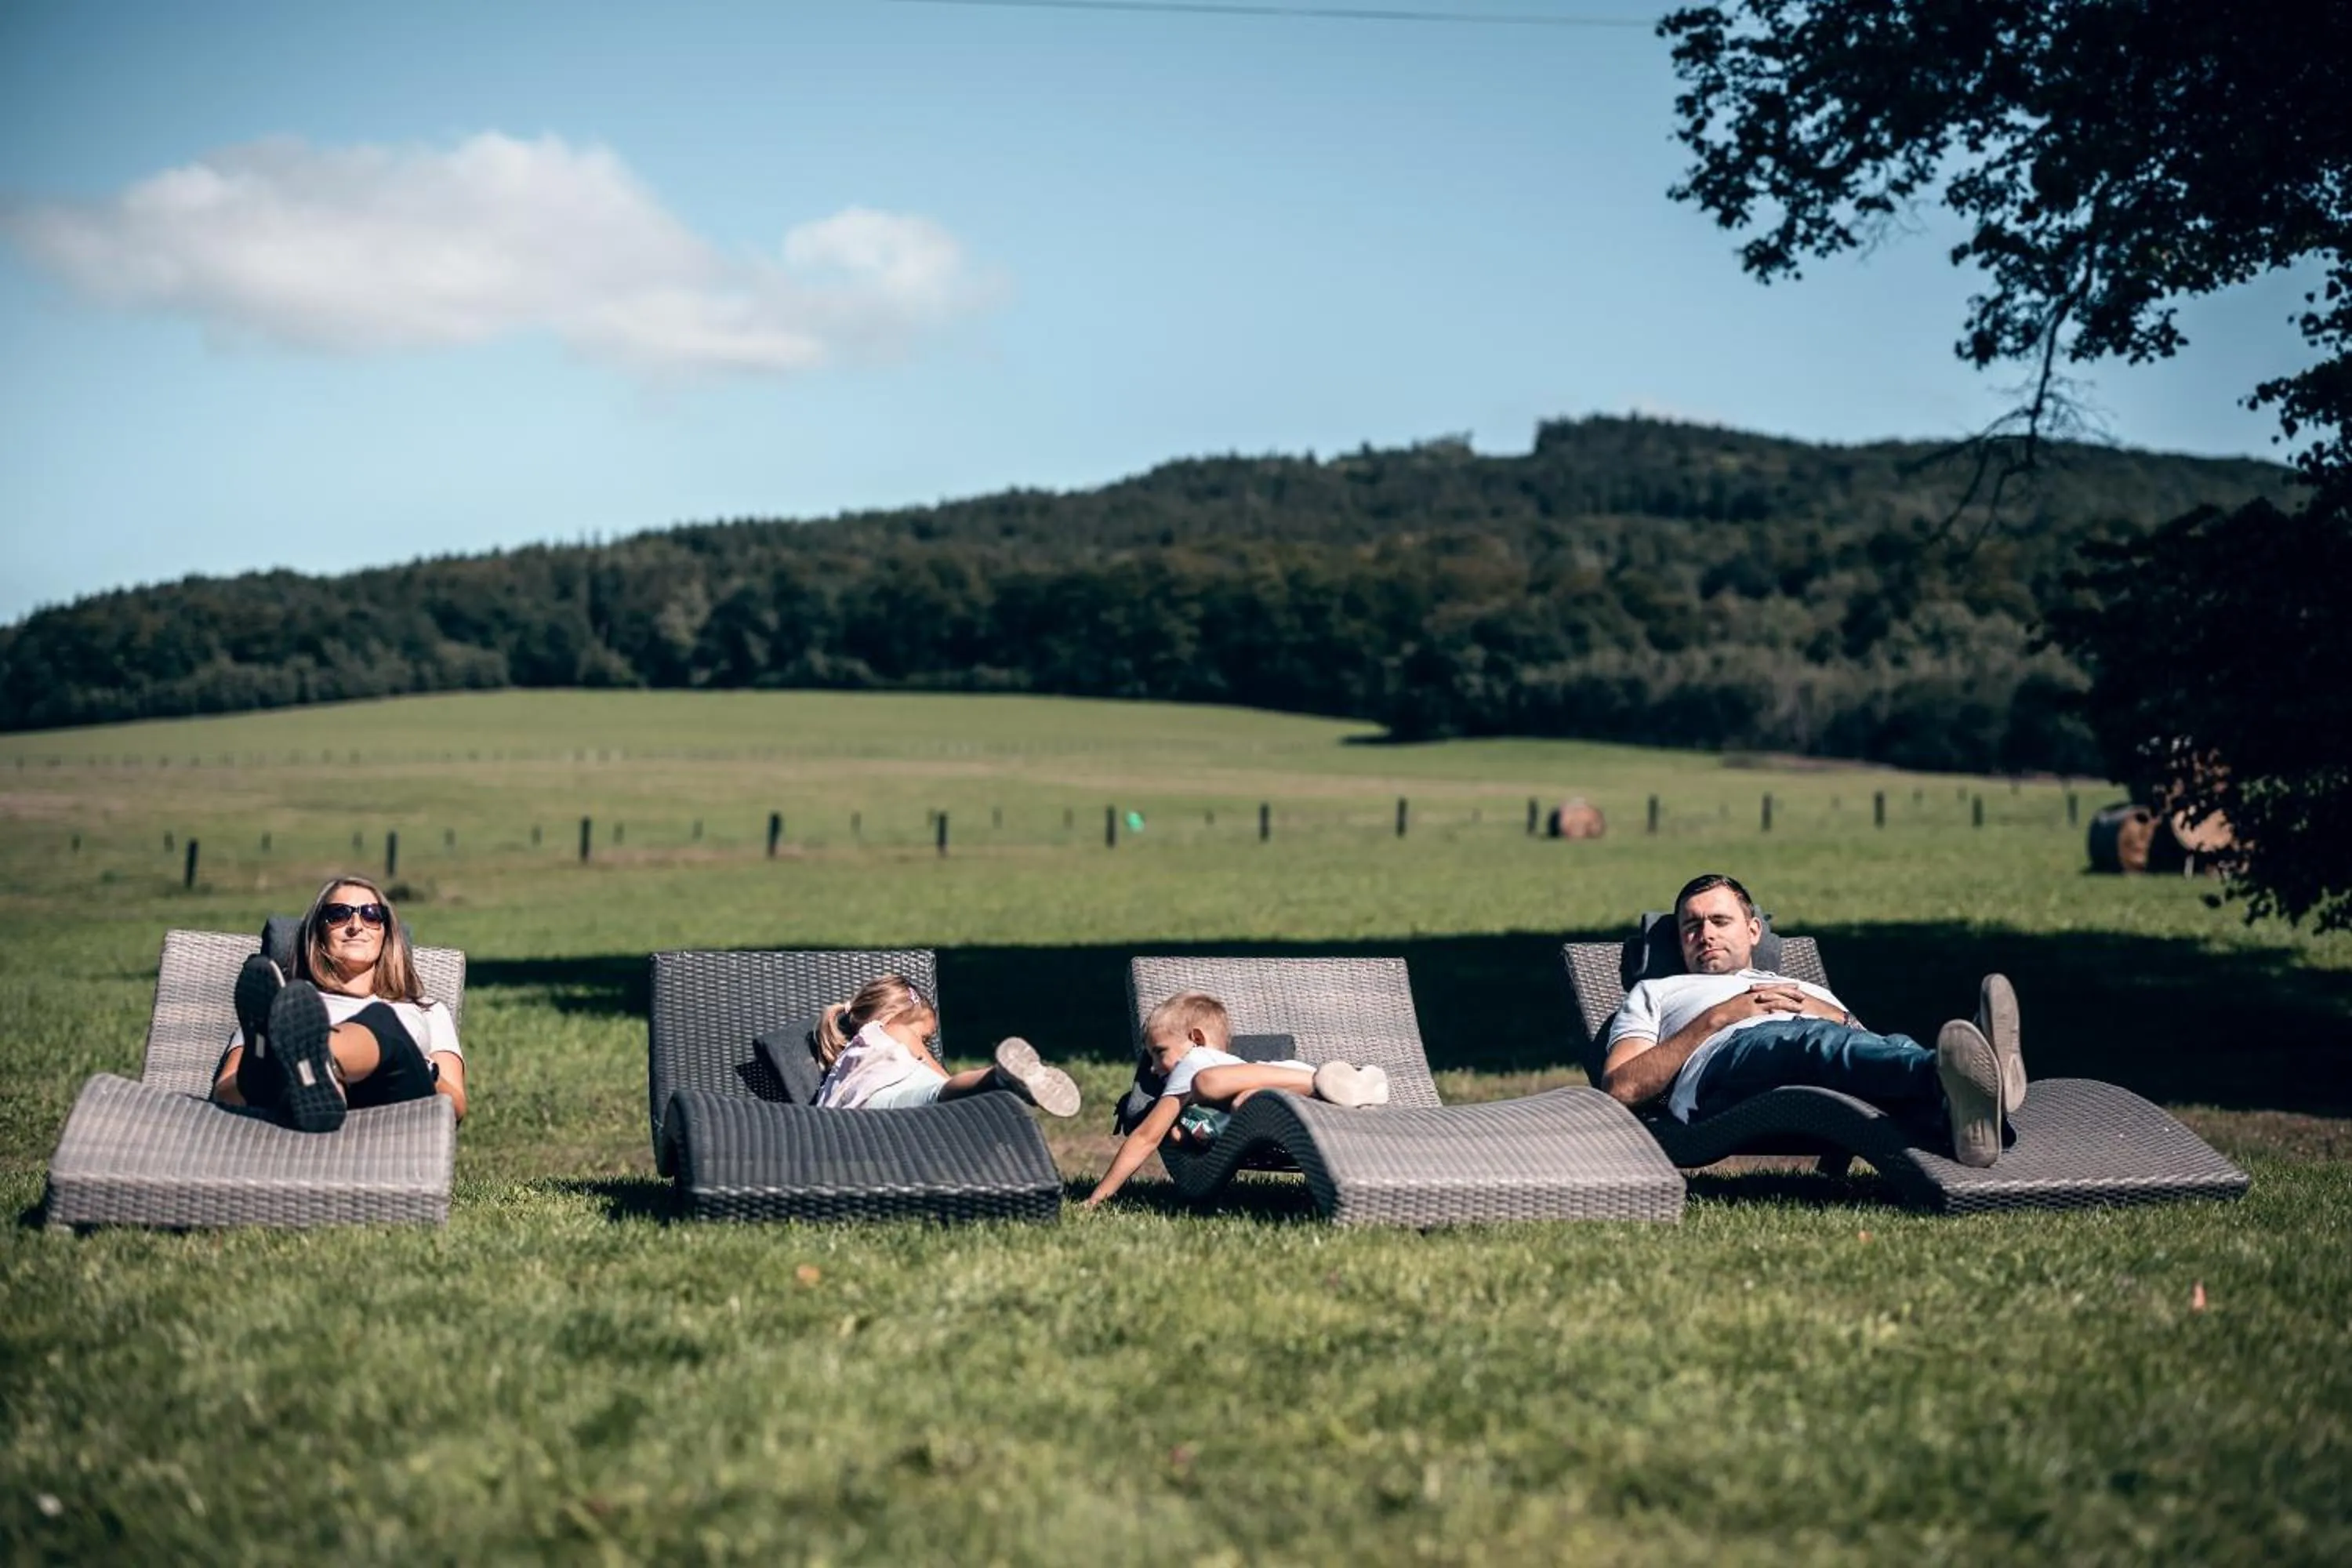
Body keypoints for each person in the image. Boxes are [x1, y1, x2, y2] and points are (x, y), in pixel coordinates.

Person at [1599, 873, 2025, 1167]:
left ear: (1752, 931)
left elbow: (1864, 1046)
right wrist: (1719, 1018)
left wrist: (1833, 1015)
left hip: (1811, 1045)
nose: (1705, 933)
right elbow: (1620, 1087)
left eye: (1719, 920)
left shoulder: (1800, 987)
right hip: (1720, 1073)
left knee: (1886, 1043)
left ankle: (1967, 1115)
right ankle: (1951, 1077)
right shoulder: (1656, 990)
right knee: (1806, 1043)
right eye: (1690, 926)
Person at [1084, 990, 1391, 1207]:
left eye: (1159, 1051)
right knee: (1243, 1101)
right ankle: (1339, 1091)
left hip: (1303, 1081)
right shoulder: (1227, 1071)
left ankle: (1321, 1083)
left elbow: (1145, 1138)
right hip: (1294, 1100)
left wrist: (1098, 1197)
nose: (1152, 1067)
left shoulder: (1195, 1063)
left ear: (1196, 1039)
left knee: (1206, 1084)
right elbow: (1185, 1132)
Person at [212, 876, 468, 1134]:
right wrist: (250, 1085)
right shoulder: (286, 1003)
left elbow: (456, 1106)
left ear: (387, 932)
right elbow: (225, 1093)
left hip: (396, 1113)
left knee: (384, 1021)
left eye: (371, 914)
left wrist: (423, 1067)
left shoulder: (427, 1009)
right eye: (338, 914)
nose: (356, 925)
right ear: (319, 932)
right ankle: (310, 1079)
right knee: (282, 1050)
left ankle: (313, 1061)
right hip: (301, 1113)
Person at [814, 973, 1081, 1117]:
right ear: (895, 1016)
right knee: (939, 1092)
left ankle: (1006, 1081)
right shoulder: (896, 1030)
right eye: (925, 1038)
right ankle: (999, 1078)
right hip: (874, 1113)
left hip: (857, 1118)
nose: (926, 1045)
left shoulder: (855, 1055)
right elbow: (941, 1080)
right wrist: (963, 1094)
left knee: (935, 1094)